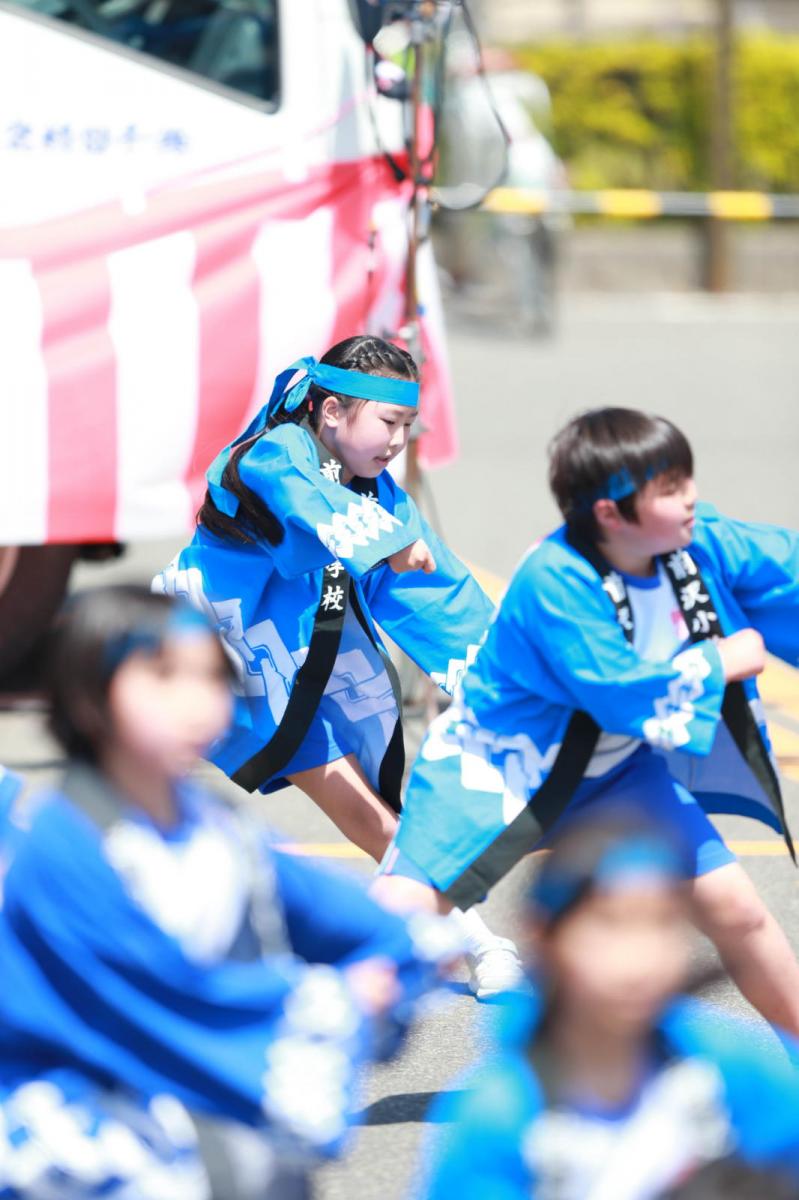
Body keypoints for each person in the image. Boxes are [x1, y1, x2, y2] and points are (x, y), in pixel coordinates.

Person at [0, 586, 457, 1200]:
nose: (197, 700)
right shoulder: (62, 845)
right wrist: (333, 1001)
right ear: (87, 695)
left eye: (211, 676)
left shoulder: (218, 828)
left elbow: (336, 915)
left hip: (198, 1121)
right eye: (163, 675)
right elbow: (155, 997)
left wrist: (414, 946)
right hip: (93, 1136)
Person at [375, 406, 799, 1034]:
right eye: (672, 488)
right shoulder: (555, 579)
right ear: (610, 512)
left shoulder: (694, 539)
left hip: (618, 771)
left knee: (737, 909)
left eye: (688, 480)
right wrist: (719, 659)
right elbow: (617, 691)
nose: (693, 499)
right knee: (394, 927)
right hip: (503, 765)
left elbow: (786, 569)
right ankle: (284, 1057)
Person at [154, 334, 519, 996]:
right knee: (145, 791)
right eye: (388, 422)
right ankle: (468, 942)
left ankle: (465, 939)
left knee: (366, 807)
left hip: (306, 642)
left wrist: (506, 680)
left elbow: (438, 600)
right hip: (218, 644)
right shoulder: (274, 452)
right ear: (329, 414)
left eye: (408, 425)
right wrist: (385, 543)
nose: (398, 441)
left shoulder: (376, 494)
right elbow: (305, 498)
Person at [417, 810, 799, 1200]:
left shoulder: (729, 1064)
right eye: (610, 925)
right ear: (543, 935)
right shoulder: (499, 1113)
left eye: (663, 924)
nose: (640, 960)